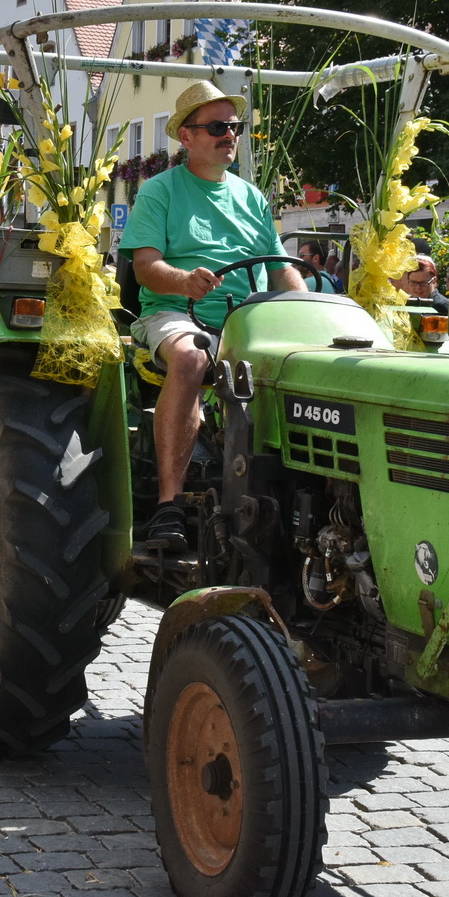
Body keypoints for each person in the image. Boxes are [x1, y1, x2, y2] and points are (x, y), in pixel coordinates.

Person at [118, 80, 307, 548]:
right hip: (177, 311)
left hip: (249, 319)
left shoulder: (251, 198)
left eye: (234, 126)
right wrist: (183, 281)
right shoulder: (159, 191)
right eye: (218, 127)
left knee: (311, 364)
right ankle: (169, 506)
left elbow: (281, 267)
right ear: (186, 137)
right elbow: (144, 268)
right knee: (191, 358)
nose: (230, 135)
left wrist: (312, 308)